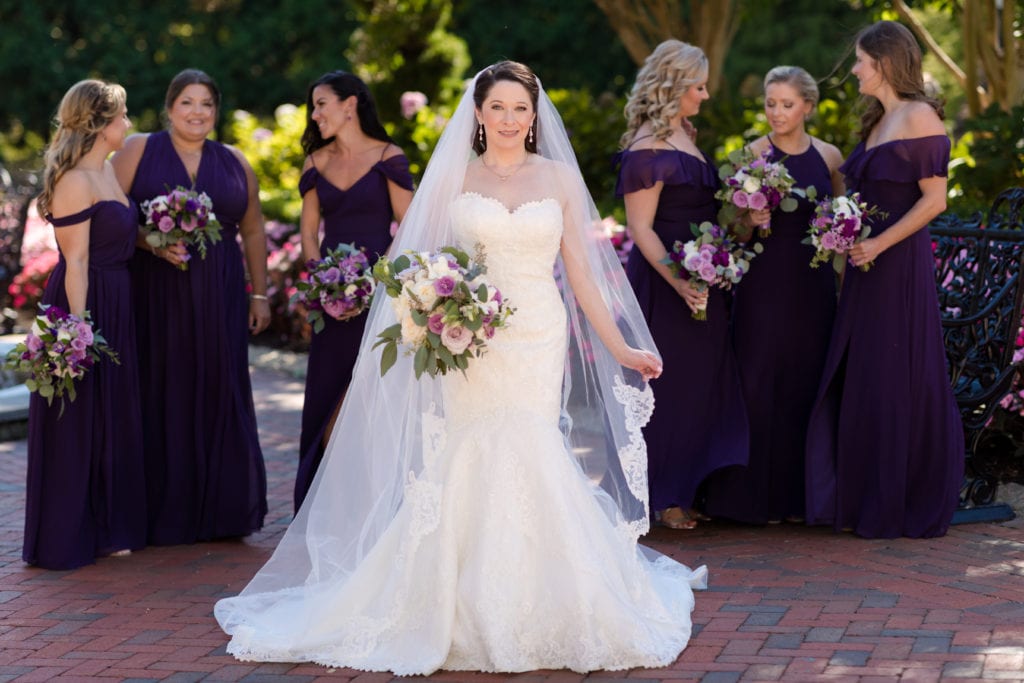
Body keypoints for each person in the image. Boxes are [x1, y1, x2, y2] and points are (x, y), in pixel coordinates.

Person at [215, 61, 707, 675]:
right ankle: (447, 600)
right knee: (468, 448)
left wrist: (620, 346)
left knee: (530, 444)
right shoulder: (456, 176)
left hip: (537, 332)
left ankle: (548, 599)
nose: (509, 119)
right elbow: (412, 258)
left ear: (534, 117)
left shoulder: (556, 177)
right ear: (477, 113)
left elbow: (581, 272)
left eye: (520, 109)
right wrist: (423, 306)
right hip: (471, 334)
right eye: (497, 108)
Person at [805, 21, 963, 538]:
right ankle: (865, 494)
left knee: (895, 371)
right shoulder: (878, 120)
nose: (853, 70)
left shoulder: (920, 117)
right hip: (864, 266)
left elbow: (934, 200)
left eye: (860, 61)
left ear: (886, 63)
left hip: (897, 265)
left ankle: (901, 496)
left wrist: (879, 242)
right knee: (866, 372)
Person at [111, 69, 269, 545]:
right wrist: (148, 241)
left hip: (218, 290)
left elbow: (255, 228)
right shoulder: (138, 148)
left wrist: (258, 292)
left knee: (219, 384)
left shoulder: (235, 161)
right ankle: (162, 512)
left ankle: (220, 512)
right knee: (162, 384)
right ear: (169, 107)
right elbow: (112, 216)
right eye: (187, 102)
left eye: (206, 104)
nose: (197, 112)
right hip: (154, 290)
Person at [615, 39, 749, 530]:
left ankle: (688, 486)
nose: (706, 95)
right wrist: (679, 284)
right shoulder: (648, 147)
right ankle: (662, 496)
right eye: (698, 85)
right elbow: (641, 229)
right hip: (665, 284)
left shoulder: (683, 134)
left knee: (699, 387)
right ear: (674, 86)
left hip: (700, 278)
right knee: (668, 389)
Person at [704, 66, 844, 525]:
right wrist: (751, 216)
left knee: (807, 380)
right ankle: (751, 501)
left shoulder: (829, 156)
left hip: (814, 286)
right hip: (763, 282)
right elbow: (730, 228)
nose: (777, 113)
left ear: (807, 105)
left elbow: (840, 218)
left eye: (787, 104)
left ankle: (800, 501)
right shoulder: (751, 154)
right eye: (770, 103)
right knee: (758, 381)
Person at [23, 79, 147, 569]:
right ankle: (67, 535)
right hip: (85, 304)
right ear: (99, 123)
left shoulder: (110, 173)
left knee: (111, 415)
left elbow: (119, 237)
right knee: (78, 418)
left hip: (117, 296)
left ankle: (106, 526)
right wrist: (78, 334)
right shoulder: (75, 180)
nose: (129, 124)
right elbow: (75, 263)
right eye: (122, 116)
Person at [293, 71, 413, 512]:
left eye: (321, 103)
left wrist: (378, 281)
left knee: (370, 394)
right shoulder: (315, 162)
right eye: (313, 105)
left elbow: (409, 225)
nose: (315, 113)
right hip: (331, 301)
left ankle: (372, 502)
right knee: (328, 395)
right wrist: (324, 284)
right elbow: (309, 233)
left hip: (380, 298)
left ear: (350, 105)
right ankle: (324, 504)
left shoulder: (388, 155)